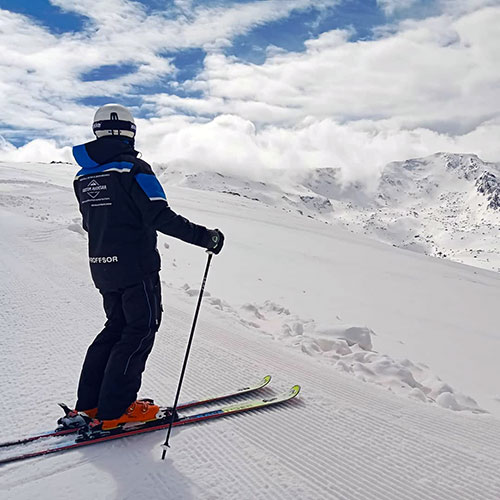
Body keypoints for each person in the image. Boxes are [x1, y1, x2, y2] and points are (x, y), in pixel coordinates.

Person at [59, 104, 224, 433]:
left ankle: (90, 404)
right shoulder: (135, 169)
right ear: (130, 132)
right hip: (135, 268)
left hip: (102, 268)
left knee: (115, 329)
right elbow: (159, 215)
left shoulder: (83, 176)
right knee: (139, 331)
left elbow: (93, 224)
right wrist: (207, 237)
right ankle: (116, 410)